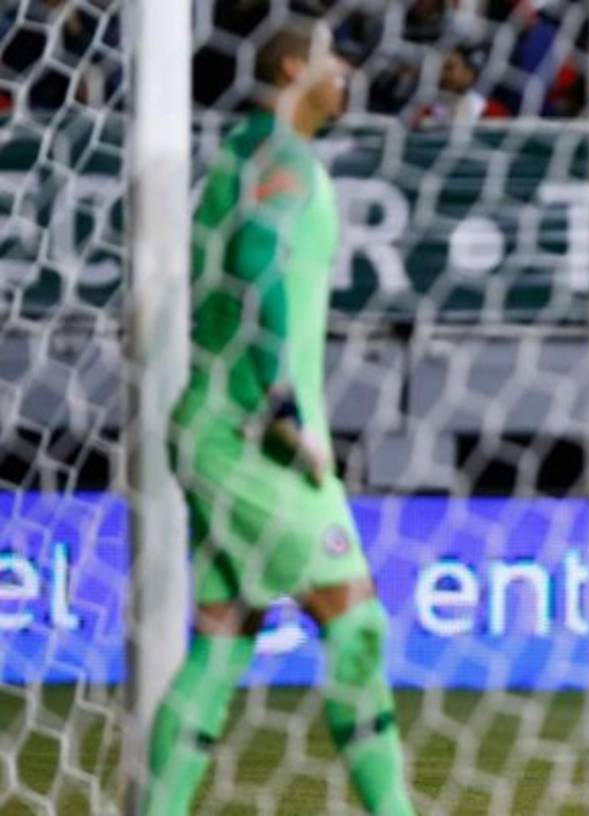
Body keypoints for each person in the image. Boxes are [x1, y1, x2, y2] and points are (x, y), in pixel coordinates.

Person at [144, 21, 414, 816]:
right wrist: (283, 407)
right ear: (295, 66)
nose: (347, 70)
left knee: (223, 638)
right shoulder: (280, 158)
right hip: (252, 433)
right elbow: (258, 260)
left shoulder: (247, 152)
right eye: (333, 57)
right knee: (356, 624)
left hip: (216, 425)